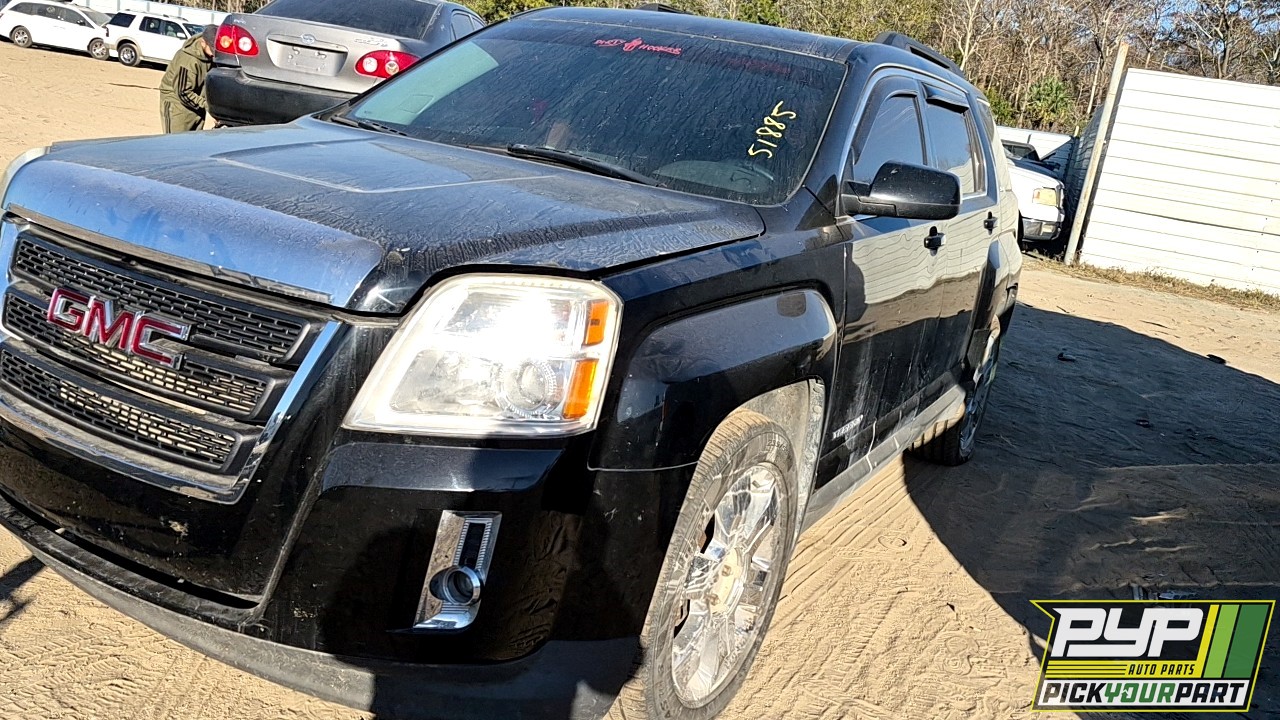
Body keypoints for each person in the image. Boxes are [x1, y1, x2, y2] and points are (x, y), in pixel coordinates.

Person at [159, 26, 216, 133]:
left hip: (196, 106)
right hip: (177, 107)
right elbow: (183, 92)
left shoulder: (210, 57)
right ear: (203, 42)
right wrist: (207, 106)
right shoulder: (187, 60)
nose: (214, 54)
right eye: (212, 49)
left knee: (192, 146)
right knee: (175, 144)